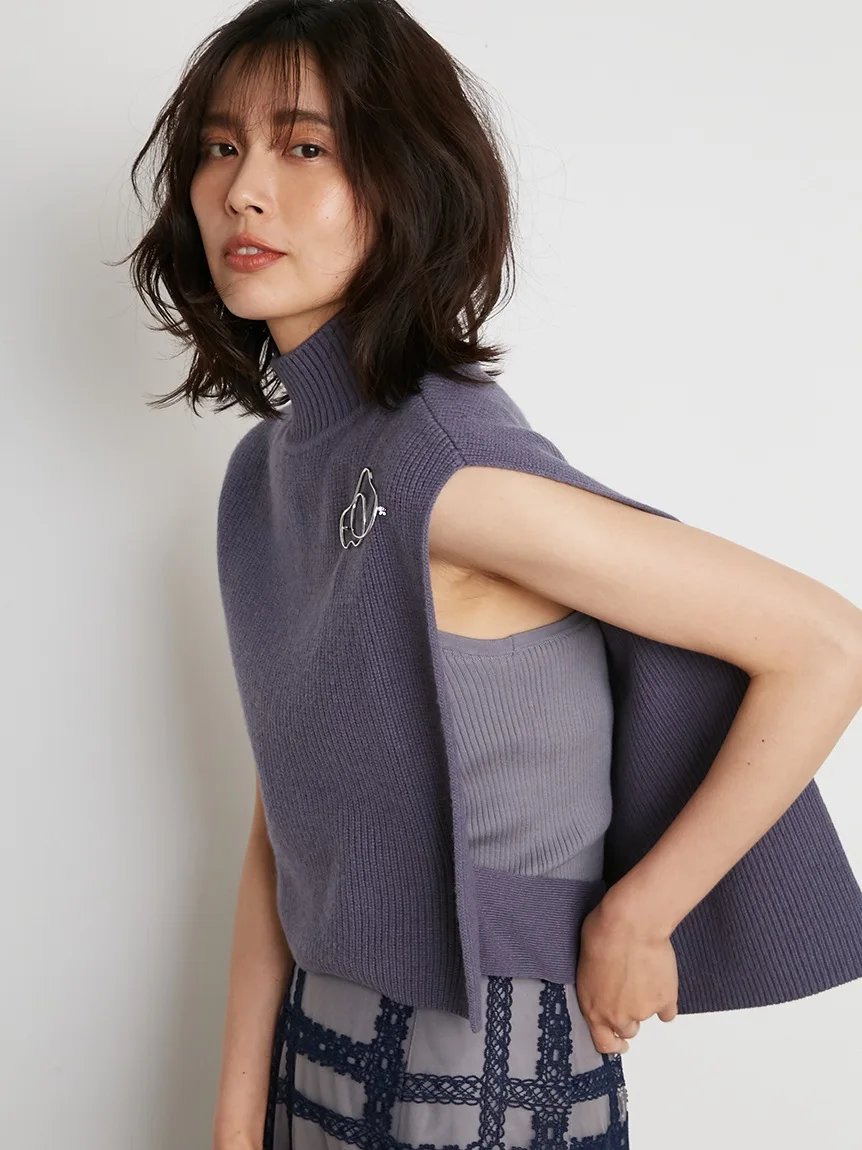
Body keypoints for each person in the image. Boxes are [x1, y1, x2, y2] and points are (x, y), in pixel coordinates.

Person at [119, 2, 862, 1148]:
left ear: (404, 183)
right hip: (315, 1035)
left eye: (304, 146)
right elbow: (289, 818)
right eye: (221, 146)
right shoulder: (267, 472)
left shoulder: (452, 478)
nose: (242, 191)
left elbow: (825, 643)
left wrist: (638, 915)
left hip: (480, 1058)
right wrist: (233, 1114)